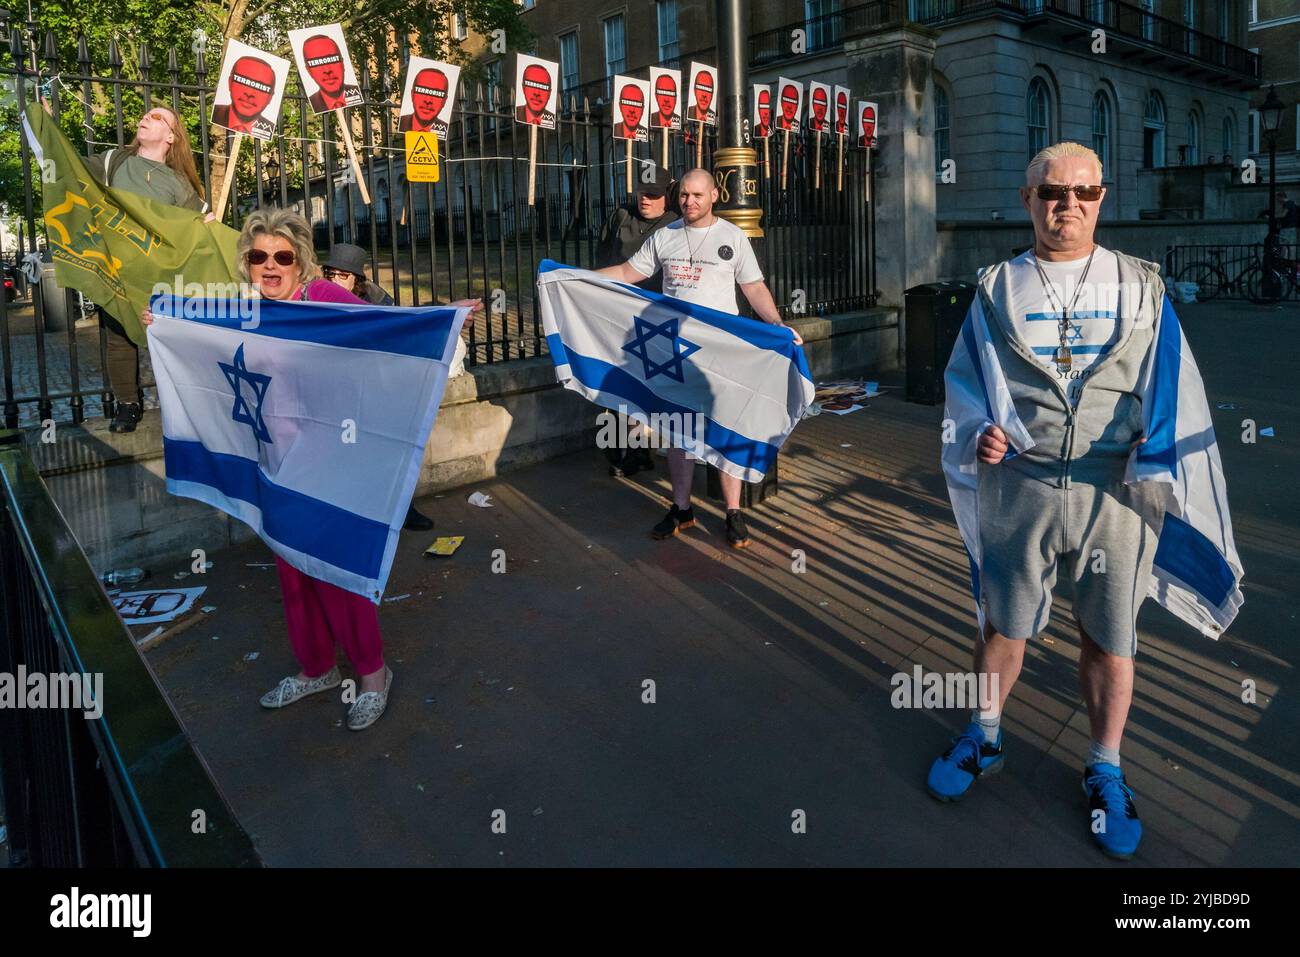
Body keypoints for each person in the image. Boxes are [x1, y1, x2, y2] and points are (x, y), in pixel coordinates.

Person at [932, 142, 1241, 860]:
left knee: (1109, 637)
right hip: (1023, 483)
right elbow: (965, 381)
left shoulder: (1143, 285)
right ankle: (984, 736)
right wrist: (981, 433)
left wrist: (1157, 451)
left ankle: (1104, 764)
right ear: (1027, 198)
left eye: (1082, 191)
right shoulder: (994, 288)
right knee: (1002, 625)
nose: (1065, 204)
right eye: (1050, 192)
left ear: (1102, 197)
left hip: (1115, 491)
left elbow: (1174, 386)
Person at [143, 208, 481, 729]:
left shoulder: (322, 299)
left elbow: (380, 328)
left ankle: (372, 674)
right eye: (259, 257)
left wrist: (441, 316)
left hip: (332, 456)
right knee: (291, 565)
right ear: (247, 264)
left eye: (282, 256)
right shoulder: (250, 310)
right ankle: (317, 668)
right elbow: (204, 335)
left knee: (337, 565)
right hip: (275, 457)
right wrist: (166, 325)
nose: (270, 266)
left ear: (301, 261)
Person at [596, 168, 802, 548]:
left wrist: (775, 322)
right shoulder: (665, 236)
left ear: (714, 196)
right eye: (684, 196)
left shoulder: (732, 237)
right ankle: (681, 508)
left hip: (722, 353)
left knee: (723, 430)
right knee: (679, 431)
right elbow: (628, 272)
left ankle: (733, 511)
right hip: (676, 350)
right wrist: (580, 278)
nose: (689, 202)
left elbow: (752, 286)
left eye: (697, 195)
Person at [77, 104, 211, 434]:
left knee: (170, 336)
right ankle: (127, 405)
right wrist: (46, 119)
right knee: (119, 337)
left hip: (161, 273)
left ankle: (186, 403)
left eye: (156, 117)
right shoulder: (114, 161)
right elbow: (69, 167)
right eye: (144, 115)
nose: (144, 119)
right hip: (117, 266)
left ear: (170, 136)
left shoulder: (180, 184)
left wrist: (208, 225)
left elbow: (198, 229)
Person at [594, 165, 680, 478]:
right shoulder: (620, 217)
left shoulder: (675, 225)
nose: (645, 200)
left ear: (666, 198)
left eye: (654, 195)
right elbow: (602, 259)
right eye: (642, 193)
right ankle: (623, 453)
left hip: (657, 318)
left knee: (652, 383)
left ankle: (647, 448)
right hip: (617, 313)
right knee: (619, 382)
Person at [211, 56, 278, 138]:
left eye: (261, 87)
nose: (249, 93)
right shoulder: (215, 114)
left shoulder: (271, 130)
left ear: (270, 97)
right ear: (230, 83)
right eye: (243, 81)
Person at [302, 35, 361, 112]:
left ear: (342, 63)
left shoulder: (362, 94)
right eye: (317, 63)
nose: (327, 70)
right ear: (308, 71)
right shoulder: (311, 105)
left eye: (332, 59)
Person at [399, 67, 450, 136]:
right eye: (422, 91)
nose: (428, 100)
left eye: (436, 93)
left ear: (444, 101)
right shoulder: (401, 124)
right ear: (412, 94)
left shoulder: (448, 131)